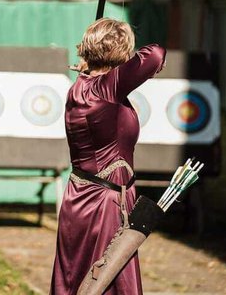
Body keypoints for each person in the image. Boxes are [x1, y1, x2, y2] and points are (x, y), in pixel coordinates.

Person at [51, 18, 166, 295]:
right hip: (106, 205)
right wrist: (118, 60)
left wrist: (92, 64)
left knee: (74, 278)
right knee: (107, 282)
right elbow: (156, 55)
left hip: (78, 198)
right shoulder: (107, 88)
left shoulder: (78, 87)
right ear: (121, 52)